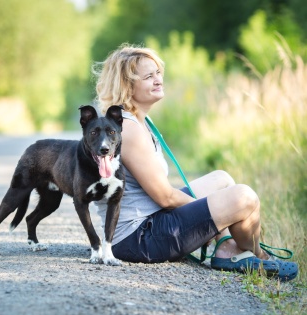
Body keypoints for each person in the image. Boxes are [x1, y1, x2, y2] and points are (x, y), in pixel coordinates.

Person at [92, 43, 298, 281]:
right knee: (245, 198)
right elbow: (165, 197)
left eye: (158, 73)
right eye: (149, 76)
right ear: (127, 86)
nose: (158, 80)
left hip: (149, 221)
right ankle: (258, 256)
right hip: (137, 239)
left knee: (222, 180)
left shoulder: (138, 121)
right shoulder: (127, 128)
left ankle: (227, 250)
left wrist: (208, 215)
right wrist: (216, 223)